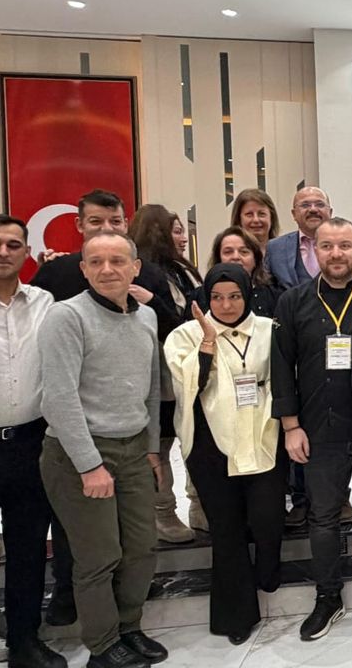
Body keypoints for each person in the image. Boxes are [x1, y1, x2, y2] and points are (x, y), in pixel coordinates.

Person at [30, 189, 181, 628]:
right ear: (83, 269)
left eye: (117, 261)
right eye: (96, 262)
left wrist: (151, 448)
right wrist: (89, 465)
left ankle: (129, 627)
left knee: (140, 548)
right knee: (98, 557)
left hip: (134, 450)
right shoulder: (66, 317)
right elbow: (58, 398)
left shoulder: (145, 317)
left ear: (135, 268)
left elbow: (150, 390)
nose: (107, 269)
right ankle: (104, 642)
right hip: (82, 452)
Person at [271, 218, 352, 641]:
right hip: (318, 428)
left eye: (344, 245)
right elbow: (281, 366)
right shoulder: (293, 301)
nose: (336, 254)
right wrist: (291, 426)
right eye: (327, 246)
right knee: (322, 518)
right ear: (316, 251)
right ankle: (327, 597)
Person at [165, 264, 284, 645]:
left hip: (264, 434)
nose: (226, 305)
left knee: (267, 517)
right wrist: (207, 344)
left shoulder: (269, 329)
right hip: (211, 444)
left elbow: (285, 376)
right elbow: (187, 387)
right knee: (227, 529)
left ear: (247, 295)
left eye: (234, 296)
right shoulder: (185, 334)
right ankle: (236, 615)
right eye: (217, 297)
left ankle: (267, 570)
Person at [0, 214, 66, 668]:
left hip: (32, 441)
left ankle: (24, 640)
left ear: (27, 252)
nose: (3, 252)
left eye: (13, 245)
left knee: (29, 547)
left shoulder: (44, 303)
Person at [129, 204, 201, 546]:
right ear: (157, 231)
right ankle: (164, 513)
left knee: (193, 441)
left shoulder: (179, 270)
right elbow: (172, 325)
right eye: (176, 230)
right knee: (159, 445)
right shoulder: (142, 273)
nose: (183, 238)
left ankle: (199, 507)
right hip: (157, 376)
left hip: (187, 372)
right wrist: (157, 304)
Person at [208, 226, 286, 318]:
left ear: (255, 259)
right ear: (218, 259)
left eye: (244, 252)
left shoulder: (277, 296)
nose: (236, 257)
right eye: (228, 252)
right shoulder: (202, 296)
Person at [265, 186, 334, 288]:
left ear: (330, 212)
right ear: (294, 214)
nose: (313, 209)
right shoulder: (275, 248)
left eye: (320, 204)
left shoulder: (349, 246)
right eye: (305, 205)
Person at [230, 188, 281, 253]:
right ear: (238, 219)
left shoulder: (285, 253)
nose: (256, 220)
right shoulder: (230, 255)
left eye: (261, 214)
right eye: (249, 214)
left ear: (272, 217)